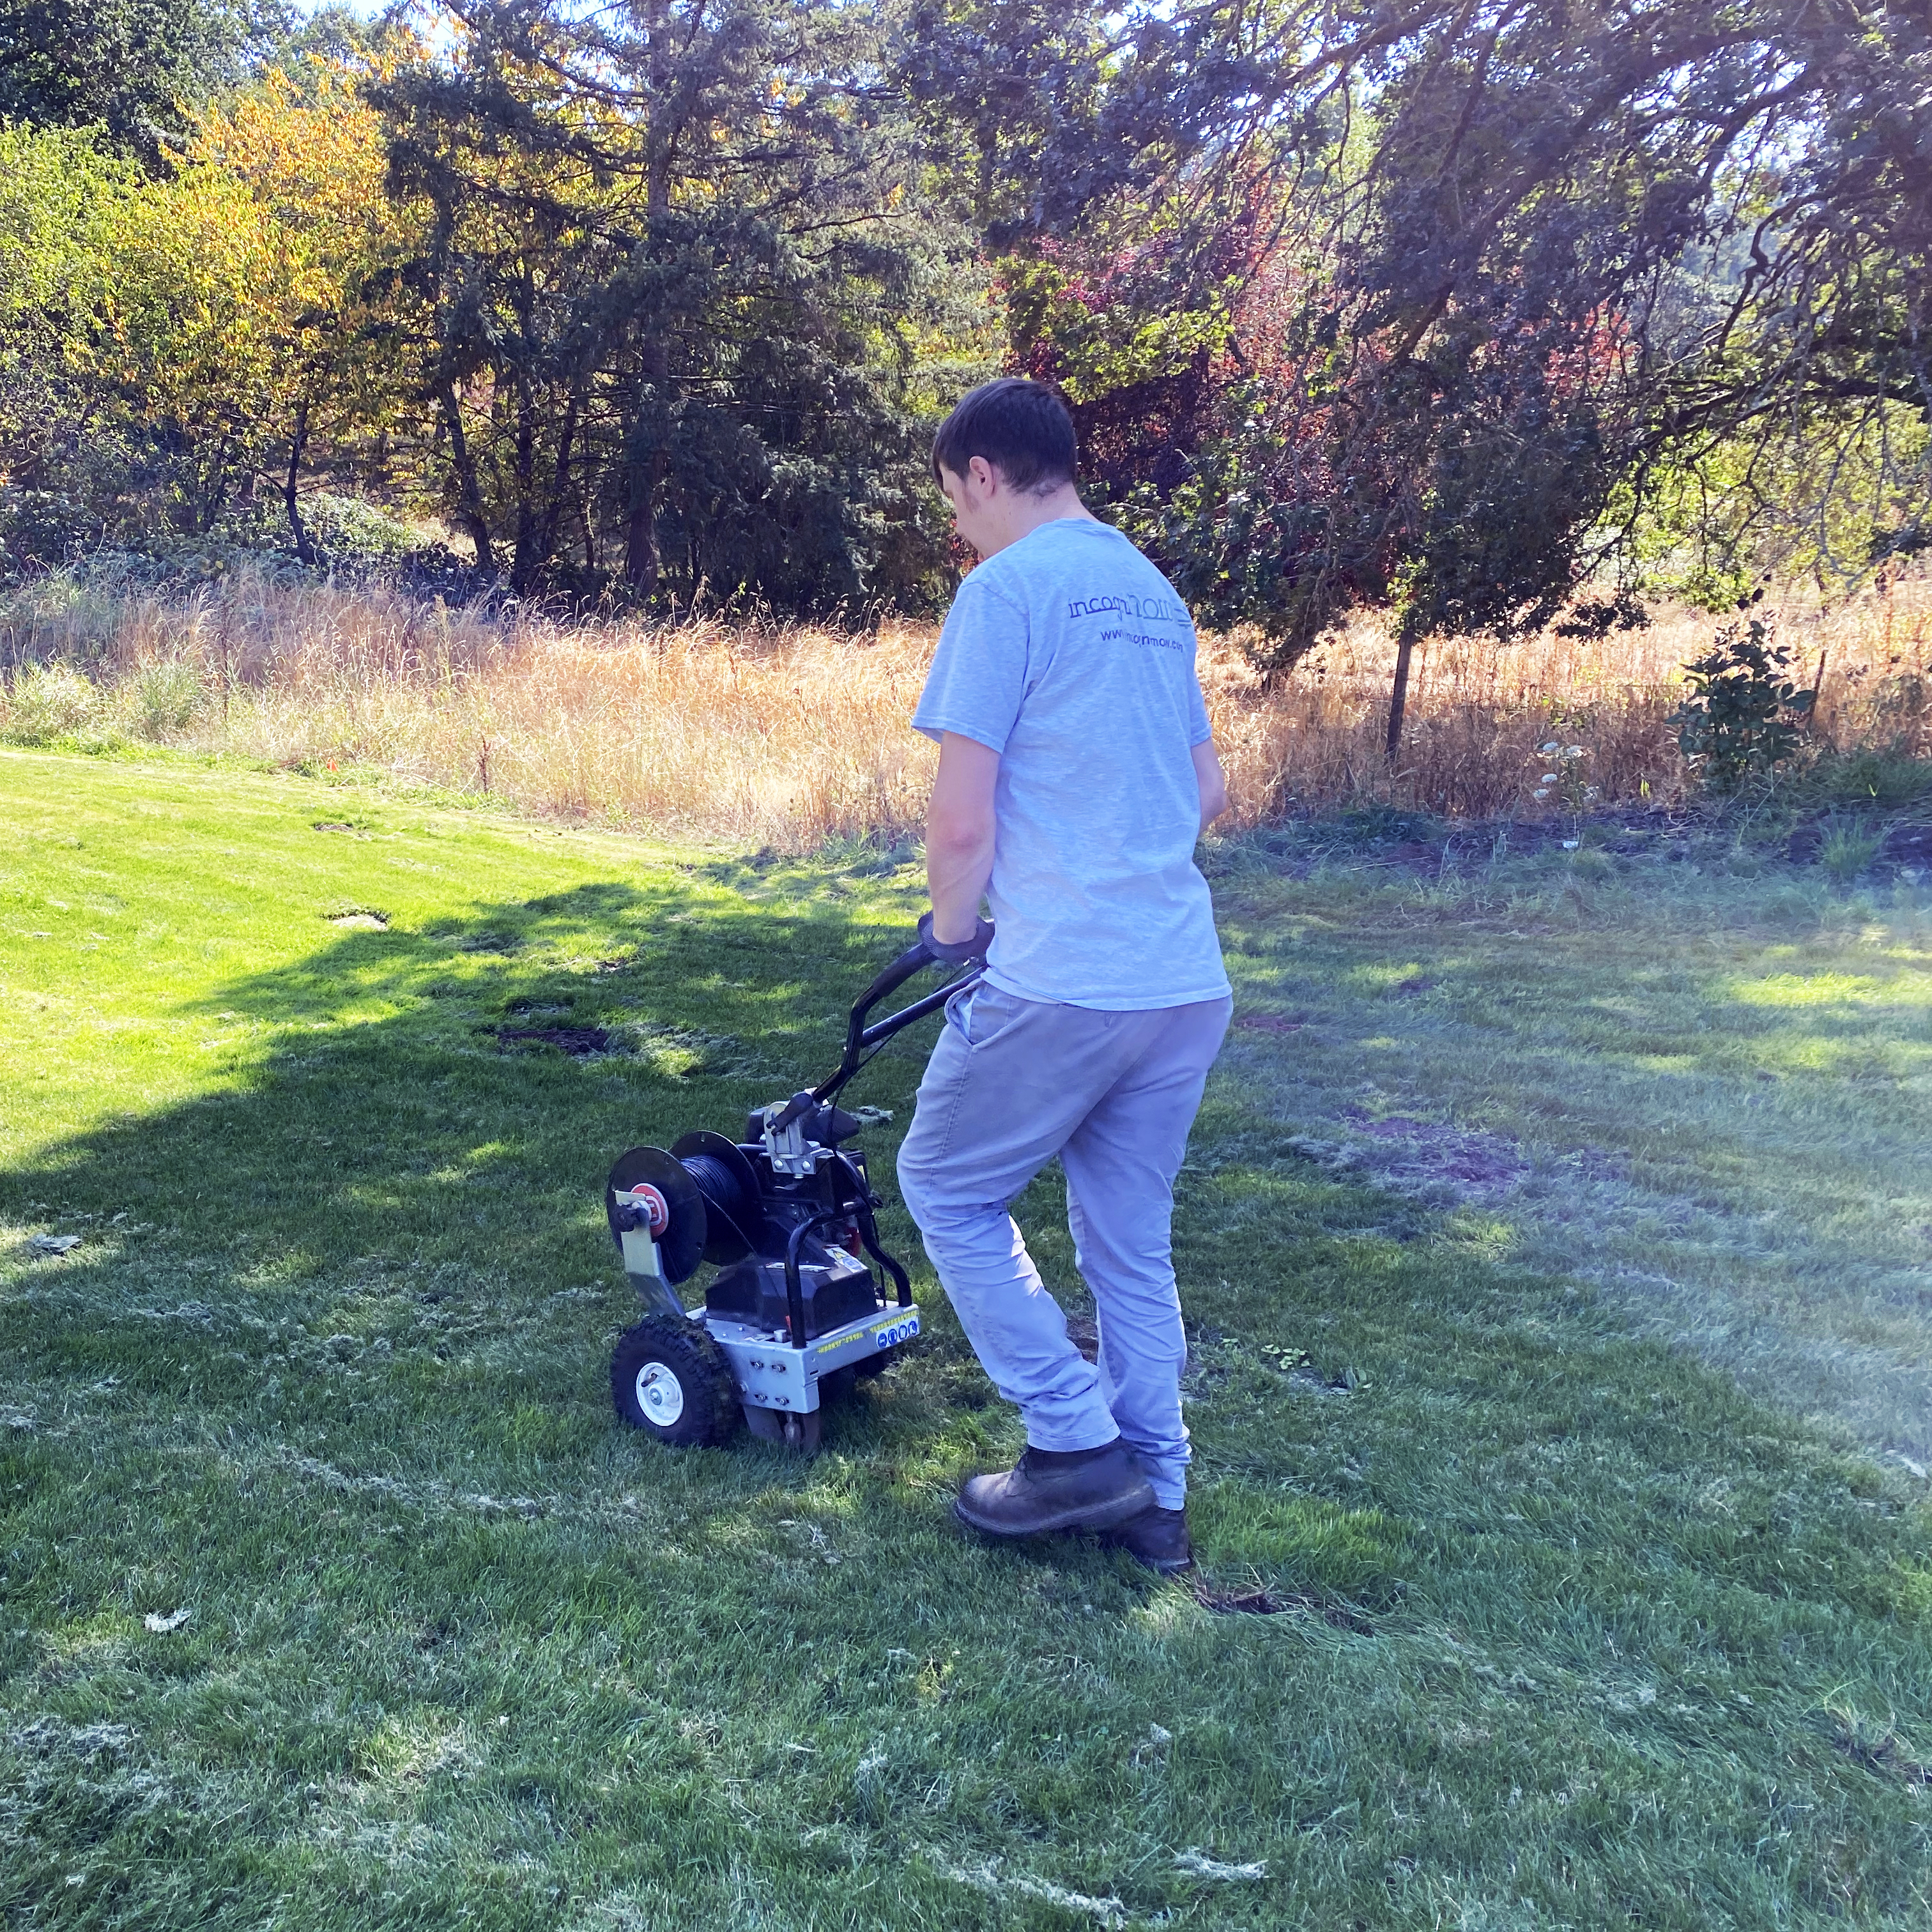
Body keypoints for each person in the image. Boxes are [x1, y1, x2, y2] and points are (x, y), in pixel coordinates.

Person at [896, 377, 1233, 1575]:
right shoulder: (1150, 591)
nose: (957, 529)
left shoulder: (1006, 591)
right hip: (1183, 979)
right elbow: (1206, 794)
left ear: (984, 473)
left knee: (943, 1182)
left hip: (1067, 978)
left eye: (954, 500)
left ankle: (1074, 1440)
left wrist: (950, 930)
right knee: (1129, 1243)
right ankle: (1157, 1504)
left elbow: (961, 823)